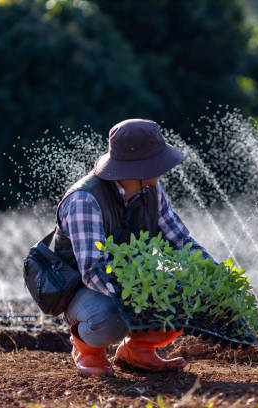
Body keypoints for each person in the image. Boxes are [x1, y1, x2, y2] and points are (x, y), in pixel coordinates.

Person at [54, 118, 214, 376]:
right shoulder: (85, 200)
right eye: (157, 163)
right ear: (138, 168)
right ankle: (86, 349)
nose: (161, 170)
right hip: (81, 290)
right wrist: (144, 293)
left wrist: (212, 277)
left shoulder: (153, 191)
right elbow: (93, 271)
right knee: (113, 316)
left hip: (130, 282)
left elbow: (181, 242)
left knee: (189, 292)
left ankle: (138, 351)